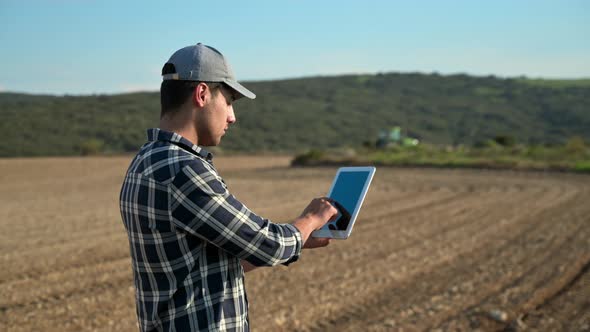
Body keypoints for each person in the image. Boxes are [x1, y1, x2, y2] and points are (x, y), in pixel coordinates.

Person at [119, 43, 338, 332]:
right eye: (230, 101)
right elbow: (267, 244)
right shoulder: (184, 169)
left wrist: (300, 240)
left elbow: (201, 265)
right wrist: (311, 219)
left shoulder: (144, 161)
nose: (232, 116)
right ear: (201, 94)